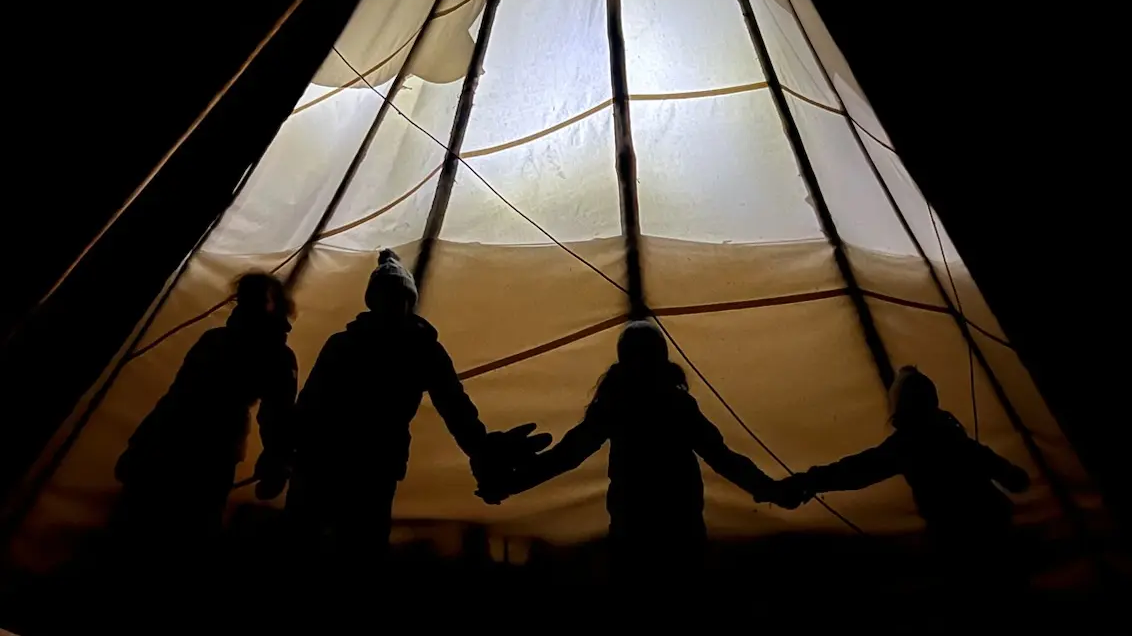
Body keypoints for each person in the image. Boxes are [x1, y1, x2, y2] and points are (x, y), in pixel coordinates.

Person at [285, 249, 547, 566]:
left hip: (335, 462)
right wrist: (481, 449)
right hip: (358, 463)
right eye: (387, 296)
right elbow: (455, 406)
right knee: (349, 549)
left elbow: (455, 406)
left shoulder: (353, 344)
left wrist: (481, 449)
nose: (392, 304)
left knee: (318, 548)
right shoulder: (416, 349)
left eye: (396, 296)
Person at [481, 320, 777, 590]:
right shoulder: (673, 404)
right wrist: (768, 488)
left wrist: (512, 484)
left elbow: (568, 455)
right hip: (677, 529)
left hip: (635, 529)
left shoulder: (618, 404)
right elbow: (722, 457)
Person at [769, 365, 1032, 630]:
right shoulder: (949, 434)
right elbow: (1003, 471)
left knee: (979, 603)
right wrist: (1010, 475)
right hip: (992, 527)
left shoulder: (910, 443)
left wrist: (808, 481)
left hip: (959, 538)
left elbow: (857, 470)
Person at [112, 272, 298, 553]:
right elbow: (180, 394)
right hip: (189, 449)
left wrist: (275, 463)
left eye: (252, 299)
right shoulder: (230, 344)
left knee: (157, 533)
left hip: (198, 451)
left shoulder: (233, 345)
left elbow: (276, 417)